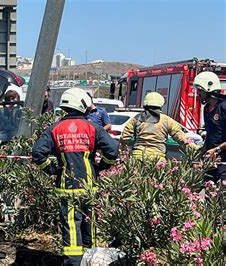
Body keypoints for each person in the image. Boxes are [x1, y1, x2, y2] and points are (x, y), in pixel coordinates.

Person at [32, 88, 119, 265]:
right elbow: (113, 150)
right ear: (82, 105)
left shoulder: (55, 128)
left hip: (66, 186)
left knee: (71, 225)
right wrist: (101, 167)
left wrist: (52, 170)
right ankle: (90, 258)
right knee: (90, 223)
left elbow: (37, 153)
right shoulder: (93, 127)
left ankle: (73, 261)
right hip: (89, 185)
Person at [120, 92, 198, 160]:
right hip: (157, 158)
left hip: (138, 156)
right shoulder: (167, 120)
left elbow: (124, 137)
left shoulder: (136, 118)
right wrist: (196, 148)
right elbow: (182, 137)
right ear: (161, 105)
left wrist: (123, 149)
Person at [193, 71, 226, 182]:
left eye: (200, 91)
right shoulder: (207, 109)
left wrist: (216, 149)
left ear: (207, 90)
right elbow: (209, 134)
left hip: (223, 163)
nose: (198, 94)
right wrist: (201, 154)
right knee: (208, 192)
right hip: (211, 160)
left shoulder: (224, 107)